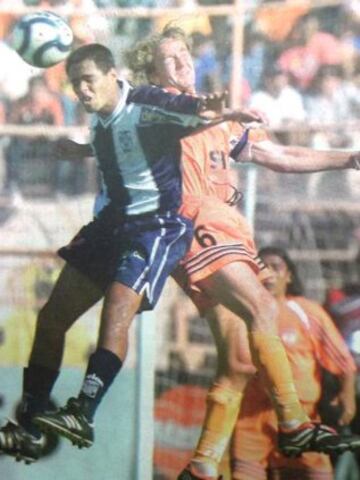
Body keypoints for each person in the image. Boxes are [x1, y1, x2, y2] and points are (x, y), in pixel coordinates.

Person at [117, 26, 360, 480]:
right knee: (265, 306)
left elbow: (279, 156)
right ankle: (294, 423)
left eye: (184, 54)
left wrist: (347, 158)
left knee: (240, 360)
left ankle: (203, 466)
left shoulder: (216, 116)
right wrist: (220, 112)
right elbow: (178, 113)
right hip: (195, 221)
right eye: (168, 58)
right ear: (151, 72)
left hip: (218, 226)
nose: (182, 63)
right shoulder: (155, 105)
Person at [0, 42, 247, 465]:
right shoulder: (99, 115)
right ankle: (31, 418)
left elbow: (189, 113)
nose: (80, 90)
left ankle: (84, 412)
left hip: (154, 228)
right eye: (75, 83)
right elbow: (118, 145)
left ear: (113, 75)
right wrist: (79, 150)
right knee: (52, 318)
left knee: (115, 313)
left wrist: (211, 107)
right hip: (110, 227)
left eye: (88, 80)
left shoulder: (146, 102)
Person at [230, 246, 357, 480]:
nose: (267, 273)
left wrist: (347, 397)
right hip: (252, 418)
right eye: (260, 267)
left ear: (288, 276)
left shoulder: (307, 312)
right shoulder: (240, 314)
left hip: (301, 418)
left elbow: (342, 360)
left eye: (275, 267)